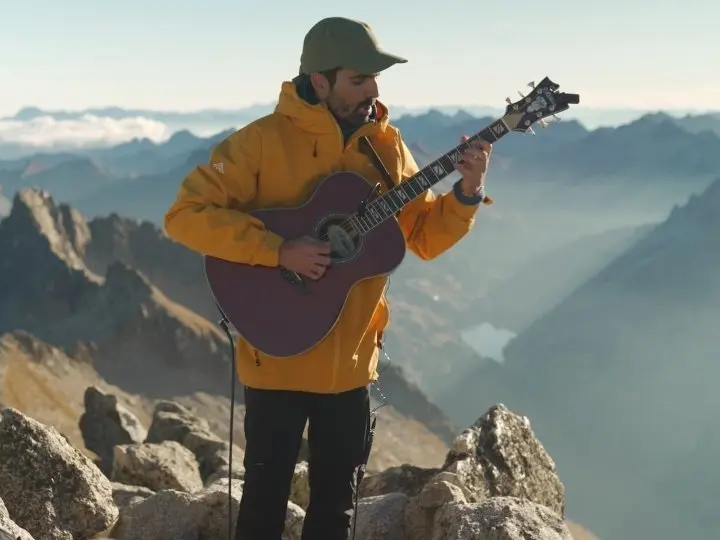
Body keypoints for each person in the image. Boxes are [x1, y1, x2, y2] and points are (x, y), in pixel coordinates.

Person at [162, 16, 492, 540]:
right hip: (278, 357)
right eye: (359, 79)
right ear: (320, 81)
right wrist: (277, 251)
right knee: (263, 507)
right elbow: (185, 216)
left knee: (336, 511)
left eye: (375, 79)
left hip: (351, 366)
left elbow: (424, 236)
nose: (374, 90)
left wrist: (467, 192)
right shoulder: (260, 143)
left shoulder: (386, 147)